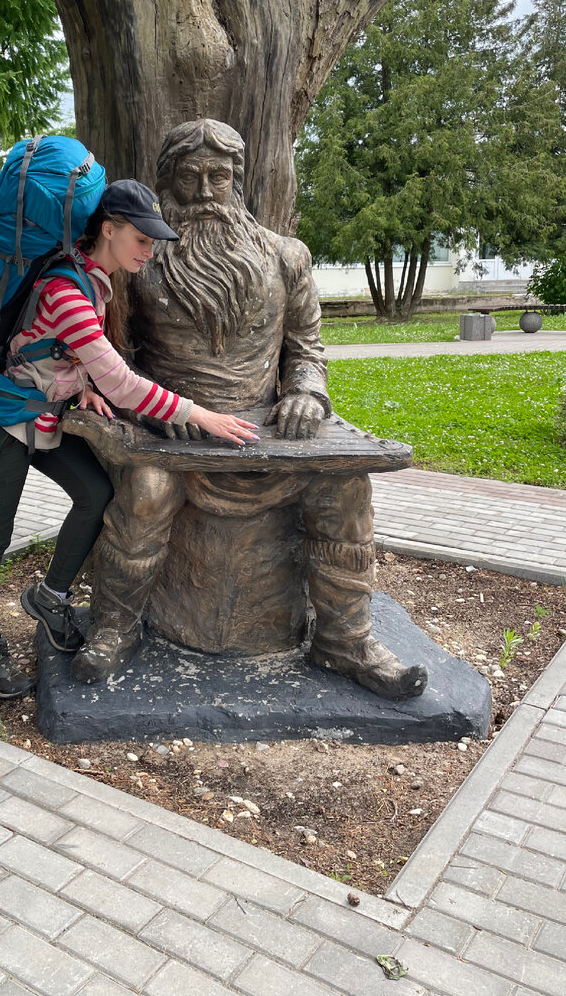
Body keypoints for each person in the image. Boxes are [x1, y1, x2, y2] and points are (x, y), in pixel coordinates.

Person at [70, 120, 428, 700]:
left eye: (221, 176)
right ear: (168, 183)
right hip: (173, 433)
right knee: (148, 492)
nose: (207, 191)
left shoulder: (288, 258)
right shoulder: (138, 266)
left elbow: (307, 354)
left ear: (240, 181)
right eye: (191, 178)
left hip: (265, 436)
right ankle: (114, 629)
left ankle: (345, 640)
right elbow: (119, 356)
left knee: (345, 490)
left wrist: (306, 394)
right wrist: (140, 407)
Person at [0, 177, 259, 698]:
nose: (150, 250)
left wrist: (82, 384)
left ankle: (50, 598)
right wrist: (202, 416)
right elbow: (122, 383)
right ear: (109, 229)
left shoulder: (93, 282)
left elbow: (69, 354)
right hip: (1, 424)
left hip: (45, 419)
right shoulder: (67, 290)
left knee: (97, 493)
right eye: (141, 239)